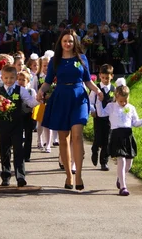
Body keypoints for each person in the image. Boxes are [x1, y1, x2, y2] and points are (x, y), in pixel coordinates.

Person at [36, 29, 102, 191]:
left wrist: (98, 91)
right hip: (61, 97)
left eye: (70, 41)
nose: (68, 44)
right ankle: (68, 175)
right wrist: (41, 91)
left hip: (79, 97)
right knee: (64, 138)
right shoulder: (55, 61)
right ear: (61, 43)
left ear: (75, 43)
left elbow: (87, 81)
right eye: (65, 41)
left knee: (77, 135)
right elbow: (48, 81)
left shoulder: (82, 58)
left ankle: (78, 174)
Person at [96, 85, 142, 196]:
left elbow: (135, 123)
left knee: (129, 163)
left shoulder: (131, 108)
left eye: (125, 100)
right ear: (116, 97)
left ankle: (120, 178)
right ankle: (123, 186)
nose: (123, 103)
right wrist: (98, 101)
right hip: (117, 135)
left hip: (128, 135)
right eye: (121, 101)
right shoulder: (111, 106)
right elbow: (101, 113)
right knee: (121, 160)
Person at [0, 66, 39, 187]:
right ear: (2, 78)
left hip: (17, 125)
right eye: (6, 78)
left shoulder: (21, 90)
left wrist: (38, 100)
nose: (9, 80)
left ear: (16, 78)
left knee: (18, 150)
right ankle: (6, 176)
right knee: (5, 151)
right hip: (3, 125)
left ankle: (20, 176)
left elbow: (29, 102)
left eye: (12, 78)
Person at [88, 64, 115, 172]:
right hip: (98, 118)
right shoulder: (96, 89)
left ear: (112, 76)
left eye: (107, 78)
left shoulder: (114, 89)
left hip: (109, 119)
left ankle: (104, 162)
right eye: (103, 78)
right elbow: (90, 102)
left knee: (107, 140)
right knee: (98, 137)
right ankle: (94, 150)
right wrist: (93, 110)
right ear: (100, 76)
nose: (105, 80)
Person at [16, 70, 37, 162]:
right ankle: (19, 153)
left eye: (23, 80)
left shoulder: (31, 91)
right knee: (18, 135)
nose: (21, 82)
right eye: (19, 79)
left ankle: (27, 155)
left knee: (28, 135)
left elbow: (34, 102)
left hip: (29, 115)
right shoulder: (15, 90)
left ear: (28, 81)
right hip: (18, 115)